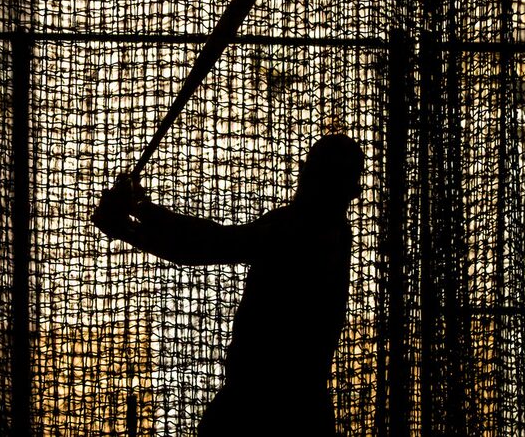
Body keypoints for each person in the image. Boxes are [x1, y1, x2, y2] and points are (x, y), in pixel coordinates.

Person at [91, 134, 365, 436]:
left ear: (349, 190)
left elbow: (215, 244)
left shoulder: (312, 236)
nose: (312, 182)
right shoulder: (298, 224)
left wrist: (136, 211)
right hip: (265, 401)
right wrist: (131, 221)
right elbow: (198, 246)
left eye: (324, 177)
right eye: (312, 172)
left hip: (277, 408)